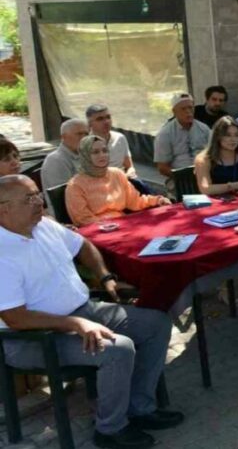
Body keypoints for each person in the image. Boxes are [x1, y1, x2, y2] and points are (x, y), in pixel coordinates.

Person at [0, 175, 183, 449]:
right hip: (33, 338)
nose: (39, 202)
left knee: (155, 323)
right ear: (3, 209)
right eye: (29, 198)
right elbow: (16, 318)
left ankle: (139, 408)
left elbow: (83, 245)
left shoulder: (44, 226)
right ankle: (110, 429)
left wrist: (104, 276)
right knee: (118, 350)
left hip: (82, 311)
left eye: (38, 194)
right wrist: (75, 324)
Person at [65, 136, 171, 226]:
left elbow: (135, 201)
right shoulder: (75, 185)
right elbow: (82, 219)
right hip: (98, 231)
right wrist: (108, 225)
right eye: (95, 152)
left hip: (122, 224)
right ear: (85, 156)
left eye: (105, 151)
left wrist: (157, 200)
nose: (102, 155)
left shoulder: (116, 174)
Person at [153, 93, 211, 192]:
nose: (188, 112)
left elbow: (214, 154)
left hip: (205, 176)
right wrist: (184, 177)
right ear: (174, 112)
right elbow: (162, 167)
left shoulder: (204, 129)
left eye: (190, 108)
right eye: (183, 109)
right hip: (179, 179)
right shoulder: (165, 134)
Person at [86, 105, 138, 179]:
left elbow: (130, 166)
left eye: (108, 117)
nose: (106, 122)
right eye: (100, 119)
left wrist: (130, 174)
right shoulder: (84, 144)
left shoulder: (120, 138)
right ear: (90, 123)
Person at [42, 119, 89, 189]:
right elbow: (62, 192)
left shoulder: (86, 155)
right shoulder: (56, 160)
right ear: (64, 137)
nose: (84, 138)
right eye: (79, 134)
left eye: (86, 134)